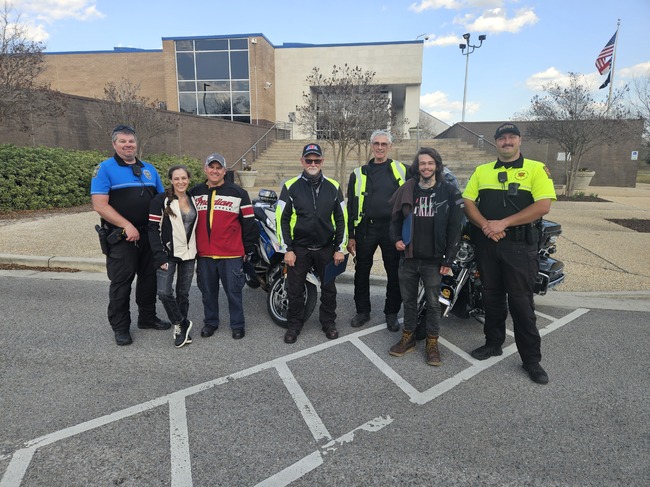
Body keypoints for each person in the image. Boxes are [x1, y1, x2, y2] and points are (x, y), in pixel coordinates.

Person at [463, 123, 557, 384]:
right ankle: (493, 343)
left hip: (519, 247)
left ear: (519, 141)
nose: (507, 141)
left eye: (511, 137)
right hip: (488, 244)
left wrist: (502, 224)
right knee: (491, 298)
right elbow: (467, 202)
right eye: (502, 138)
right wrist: (486, 225)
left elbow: (543, 206)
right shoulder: (482, 171)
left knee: (521, 304)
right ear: (496, 143)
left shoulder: (536, 169)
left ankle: (531, 360)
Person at [90, 124, 170, 346]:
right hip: (121, 237)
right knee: (121, 282)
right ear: (114, 144)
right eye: (123, 141)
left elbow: (162, 200)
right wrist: (126, 225)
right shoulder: (104, 169)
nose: (128, 145)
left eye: (131, 141)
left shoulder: (149, 169)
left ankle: (147, 318)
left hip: (148, 235)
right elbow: (99, 205)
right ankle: (121, 327)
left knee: (149, 279)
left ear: (136, 143)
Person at [389, 147, 464, 365]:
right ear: (417, 166)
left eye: (430, 163)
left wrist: (448, 258)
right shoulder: (408, 189)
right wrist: (396, 239)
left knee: (433, 304)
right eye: (422, 163)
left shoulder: (449, 192)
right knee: (409, 301)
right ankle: (408, 336)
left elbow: (455, 228)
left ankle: (432, 343)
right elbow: (394, 220)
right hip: (409, 257)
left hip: (434, 259)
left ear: (437, 166)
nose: (426, 167)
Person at [276, 143, 347, 344]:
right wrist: (287, 249)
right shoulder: (290, 186)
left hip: (326, 248)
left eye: (317, 160)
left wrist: (340, 248)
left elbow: (341, 218)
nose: (313, 163)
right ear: (302, 161)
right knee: (295, 290)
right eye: (309, 160)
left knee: (329, 289)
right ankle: (294, 325)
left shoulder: (333, 186)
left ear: (322, 161)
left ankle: (328, 323)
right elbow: (282, 219)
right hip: (299, 249)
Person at [189, 152, 257, 340]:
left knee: (234, 292)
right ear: (205, 169)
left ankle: (238, 324)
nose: (215, 171)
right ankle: (211, 322)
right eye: (211, 167)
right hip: (204, 254)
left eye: (219, 168)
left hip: (231, 254)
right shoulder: (195, 193)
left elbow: (249, 224)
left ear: (225, 171)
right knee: (208, 292)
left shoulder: (239, 193)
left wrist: (248, 249)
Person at [347, 129, 407, 332]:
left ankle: (391, 313)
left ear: (390, 146)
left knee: (394, 272)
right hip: (366, 228)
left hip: (392, 228)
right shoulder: (358, 173)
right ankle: (362, 311)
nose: (380, 147)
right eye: (376, 144)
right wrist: (351, 235)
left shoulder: (402, 169)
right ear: (371, 146)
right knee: (361, 271)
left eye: (384, 144)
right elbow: (351, 206)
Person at [148, 165, 198, 348]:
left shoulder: (193, 199)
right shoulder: (160, 200)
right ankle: (181, 322)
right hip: (168, 254)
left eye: (184, 178)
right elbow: (152, 229)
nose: (180, 182)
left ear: (189, 179)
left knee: (183, 294)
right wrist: (159, 256)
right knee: (163, 292)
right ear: (170, 180)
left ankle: (180, 330)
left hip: (189, 253)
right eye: (176, 178)